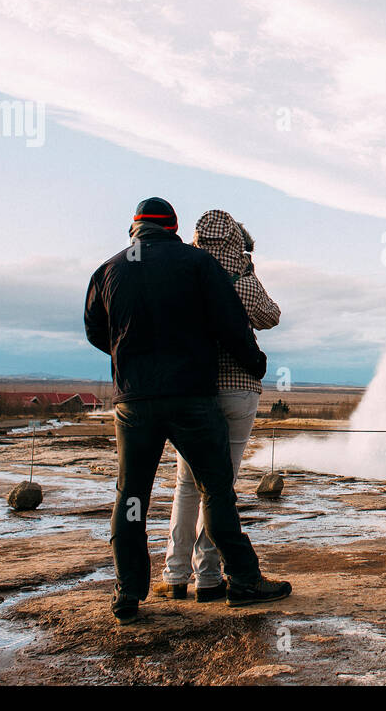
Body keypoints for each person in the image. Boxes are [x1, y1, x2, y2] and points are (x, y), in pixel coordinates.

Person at [84, 197, 291, 624]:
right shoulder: (197, 264)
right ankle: (243, 582)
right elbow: (228, 322)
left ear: (134, 228)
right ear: (174, 227)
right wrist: (255, 363)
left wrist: (132, 362)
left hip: (134, 401)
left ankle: (128, 594)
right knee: (216, 490)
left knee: (132, 496)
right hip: (192, 397)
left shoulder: (108, 270)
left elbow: (96, 331)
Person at [155, 209, 282, 602]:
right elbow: (270, 317)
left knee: (186, 484)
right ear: (236, 242)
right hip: (238, 389)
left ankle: (174, 575)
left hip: (195, 390)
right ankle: (208, 577)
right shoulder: (239, 277)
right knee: (219, 488)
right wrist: (247, 270)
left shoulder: (185, 270)